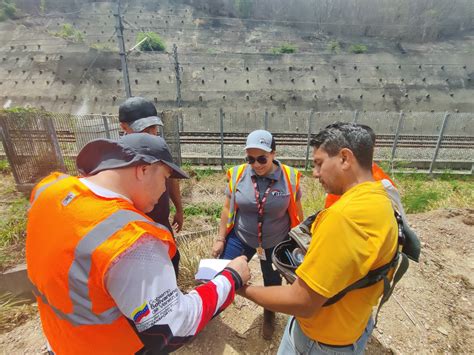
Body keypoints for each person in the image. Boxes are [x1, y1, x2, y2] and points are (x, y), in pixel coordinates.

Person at [26, 133, 250, 354]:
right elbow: (175, 325)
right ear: (143, 169)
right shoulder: (131, 240)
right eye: (165, 178)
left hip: (60, 342)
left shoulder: (49, 189)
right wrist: (231, 278)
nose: (165, 190)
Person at [238, 123, 399, 354]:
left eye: (319, 163)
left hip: (320, 341)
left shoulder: (343, 218)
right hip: (353, 326)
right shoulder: (381, 196)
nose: (314, 173)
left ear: (345, 158)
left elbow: (302, 301)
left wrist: (240, 288)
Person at [211, 129, 304, 340]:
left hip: (275, 241)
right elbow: (226, 209)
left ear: (274, 153)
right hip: (241, 237)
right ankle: (210, 310)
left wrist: (298, 243)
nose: (257, 164)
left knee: (272, 282)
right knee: (223, 275)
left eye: (262, 158)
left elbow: (298, 213)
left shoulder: (289, 177)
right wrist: (220, 238)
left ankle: (269, 313)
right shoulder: (238, 174)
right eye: (251, 159)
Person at [118, 96, 184, 275]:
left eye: (154, 127)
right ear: (124, 127)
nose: (152, 132)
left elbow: (171, 178)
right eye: (145, 129)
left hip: (161, 222)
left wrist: (179, 209)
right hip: (137, 229)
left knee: (172, 260)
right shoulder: (118, 155)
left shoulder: (158, 147)